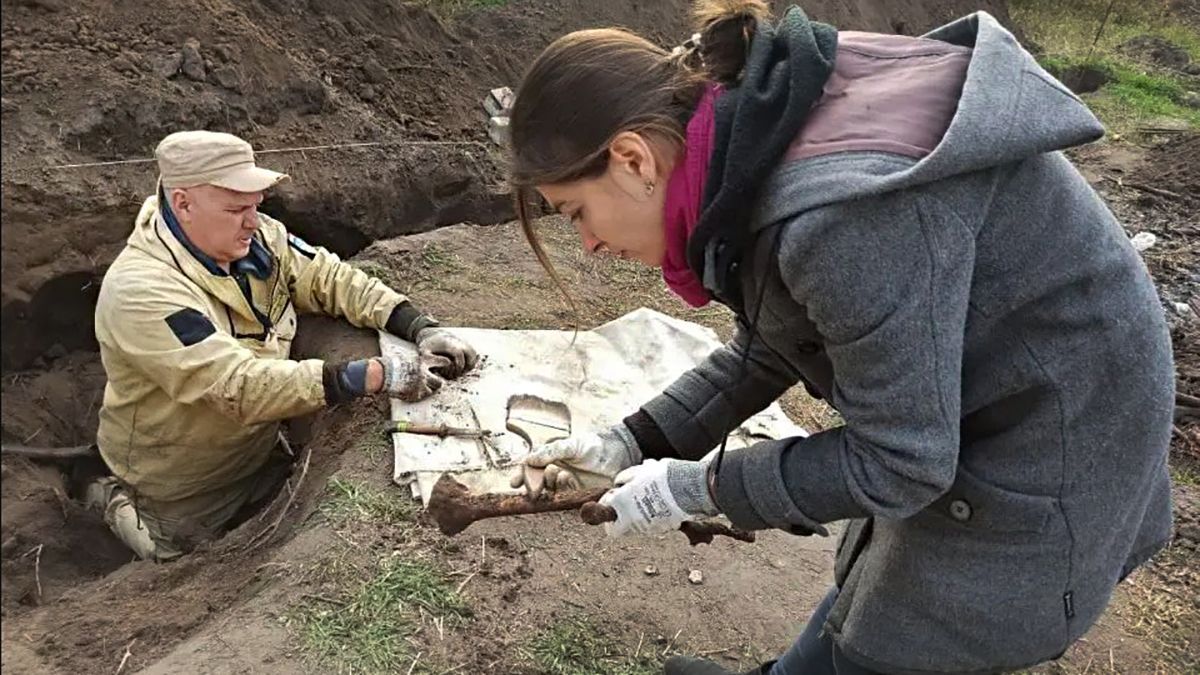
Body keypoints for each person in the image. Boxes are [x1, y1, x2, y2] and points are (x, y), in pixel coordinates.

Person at [506, 2, 1175, 673]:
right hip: (991, 401)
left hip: (1057, 443)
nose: (589, 244)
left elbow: (901, 463)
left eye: (576, 213)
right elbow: (777, 338)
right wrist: (632, 442)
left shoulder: (836, 220)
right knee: (878, 592)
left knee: (915, 628)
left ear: (631, 158)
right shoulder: (750, 134)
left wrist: (696, 487)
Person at [89, 130, 478, 562]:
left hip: (257, 453)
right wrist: (373, 374)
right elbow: (234, 385)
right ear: (183, 203)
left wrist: (418, 325)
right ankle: (108, 496)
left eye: (255, 206)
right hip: (181, 488)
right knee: (176, 558)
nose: (253, 221)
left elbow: (331, 280)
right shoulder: (142, 291)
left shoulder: (259, 239)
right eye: (236, 208)